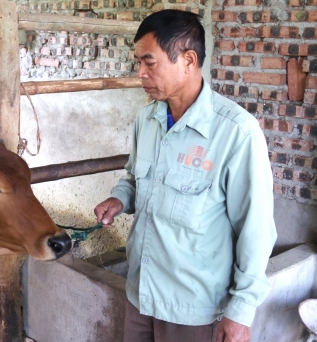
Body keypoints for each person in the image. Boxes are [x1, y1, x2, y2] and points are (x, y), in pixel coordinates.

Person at [93, 9, 277, 342]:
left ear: (188, 60)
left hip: (194, 307)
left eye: (150, 63)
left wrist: (240, 311)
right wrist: (120, 199)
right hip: (142, 292)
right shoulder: (146, 120)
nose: (140, 74)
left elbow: (256, 229)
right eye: (139, 63)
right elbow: (134, 179)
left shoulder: (236, 133)